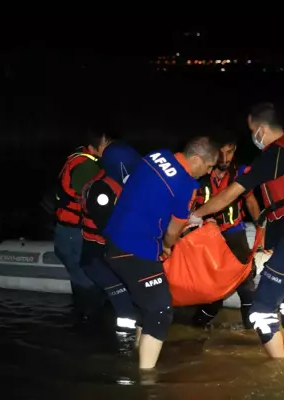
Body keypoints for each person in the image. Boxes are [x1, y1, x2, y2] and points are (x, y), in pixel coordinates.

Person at [188, 103, 284, 358]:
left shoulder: (274, 156)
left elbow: (231, 194)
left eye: (252, 130)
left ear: (262, 129)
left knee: (261, 310)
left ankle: (280, 372)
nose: (252, 136)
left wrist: (196, 215)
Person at [103, 136, 219, 370]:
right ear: (197, 159)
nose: (208, 173)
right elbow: (172, 234)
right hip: (135, 249)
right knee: (161, 310)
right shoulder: (185, 187)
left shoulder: (156, 156)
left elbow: (147, 195)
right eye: (208, 167)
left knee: (146, 306)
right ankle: (147, 382)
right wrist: (168, 245)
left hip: (113, 241)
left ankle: (138, 356)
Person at [191, 137, 262, 330]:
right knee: (212, 288)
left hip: (233, 231)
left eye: (230, 152)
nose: (225, 157)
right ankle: (196, 327)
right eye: (221, 152)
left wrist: (261, 232)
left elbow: (251, 201)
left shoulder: (241, 173)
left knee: (246, 283)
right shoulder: (198, 175)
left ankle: (252, 331)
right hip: (204, 236)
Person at [79, 141, 142, 332]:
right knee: (121, 296)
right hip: (96, 257)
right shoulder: (101, 191)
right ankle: (126, 343)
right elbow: (110, 227)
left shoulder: (121, 185)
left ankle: (101, 328)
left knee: (127, 296)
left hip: (112, 255)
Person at [54, 129, 111, 318]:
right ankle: (88, 321)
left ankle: (84, 320)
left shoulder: (81, 159)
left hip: (68, 229)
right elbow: (91, 201)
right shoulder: (87, 166)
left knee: (82, 277)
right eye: (106, 144)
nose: (110, 148)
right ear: (95, 147)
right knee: (85, 279)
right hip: (73, 231)